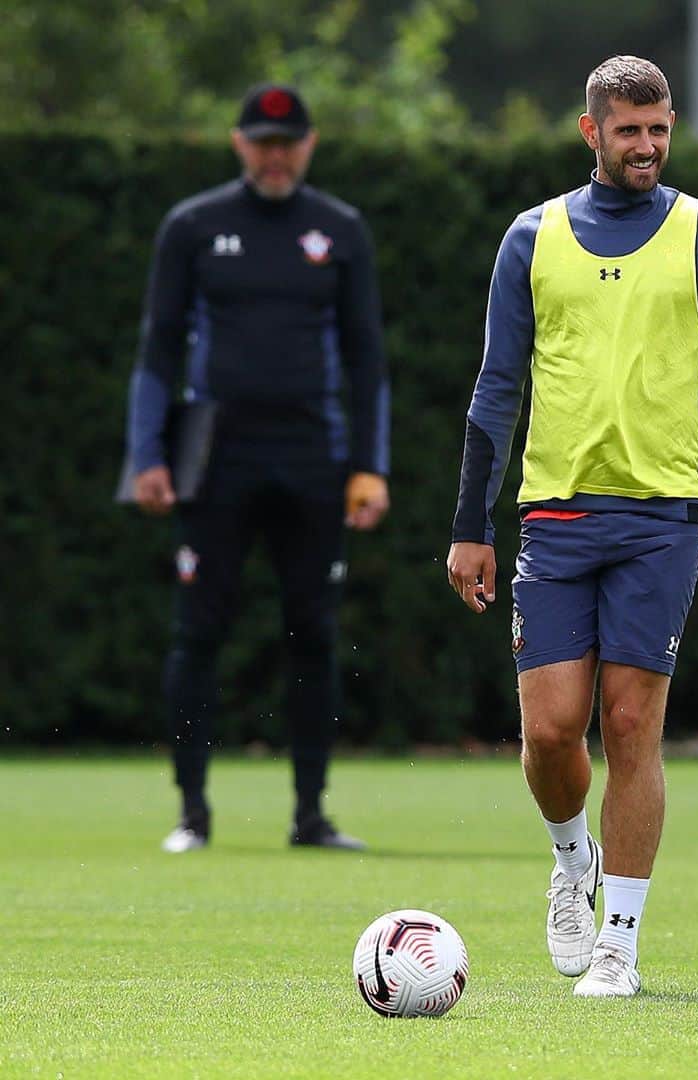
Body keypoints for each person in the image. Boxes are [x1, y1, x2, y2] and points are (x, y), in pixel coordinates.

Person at [446, 56, 698, 996]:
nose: (647, 146)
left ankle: (620, 945)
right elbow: (497, 386)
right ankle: (573, 862)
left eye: (659, 129)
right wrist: (471, 523)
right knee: (551, 733)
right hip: (555, 516)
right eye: (629, 130)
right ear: (590, 131)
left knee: (632, 724)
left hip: (662, 519)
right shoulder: (532, 237)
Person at [126, 83, 391, 854]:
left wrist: (370, 466)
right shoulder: (193, 226)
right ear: (239, 144)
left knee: (314, 633)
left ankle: (311, 815)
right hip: (215, 457)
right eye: (262, 143)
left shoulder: (340, 230)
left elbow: (367, 359)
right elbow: (158, 349)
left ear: (308, 146)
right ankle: (191, 814)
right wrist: (147, 454)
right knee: (198, 632)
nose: (276, 156)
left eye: (288, 143)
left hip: (314, 455)